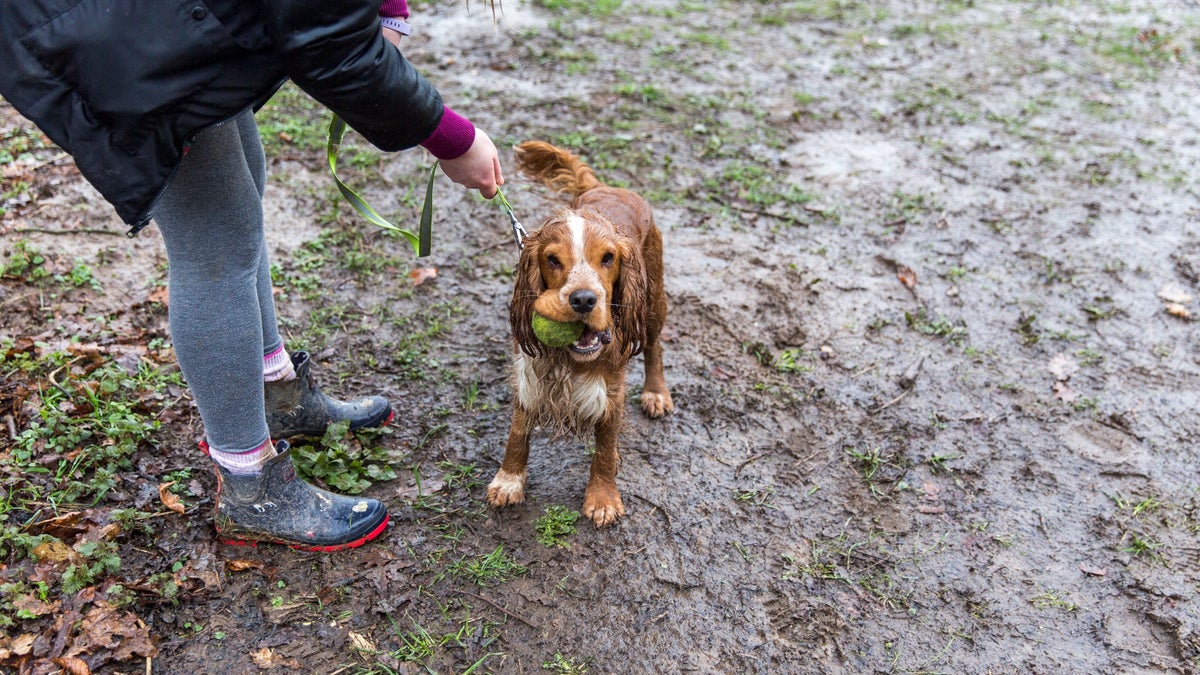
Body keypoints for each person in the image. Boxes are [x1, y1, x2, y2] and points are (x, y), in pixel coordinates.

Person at [0, 0, 504, 551]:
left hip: (158, 21)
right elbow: (330, 46)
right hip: (109, 32)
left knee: (242, 188)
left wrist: (387, 8)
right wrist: (454, 138)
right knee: (215, 243)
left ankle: (273, 393)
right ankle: (249, 484)